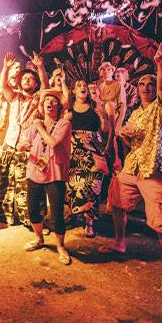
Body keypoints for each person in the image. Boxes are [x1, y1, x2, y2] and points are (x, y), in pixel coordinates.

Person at [103, 44, 162, 297]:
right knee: (116, 196)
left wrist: (160, 65)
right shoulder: (135, 114)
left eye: (150, 84)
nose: (146, 87)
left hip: (155, 169)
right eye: (142, 85)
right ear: (137, 90)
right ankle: (119, 242)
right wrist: (125, 135)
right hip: (133, 165)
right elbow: (130, 141)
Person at [0, 53, 44, 228]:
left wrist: (40, 67)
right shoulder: (14, 96)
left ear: (36, 84)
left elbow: (46, 86)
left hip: (28, 148)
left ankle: (30, 219)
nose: (27, 80)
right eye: (24, 78)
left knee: (27, 186)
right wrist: (5, 68)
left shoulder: (39, 99)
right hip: (9, 144)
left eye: (31, 79)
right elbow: (2, 85)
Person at [18, 89, 73, 265]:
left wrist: (40, 128)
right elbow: (23, 142)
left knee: (56, 214)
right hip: (35, 171)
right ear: (42, 106)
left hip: (55, 173)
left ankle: (60, 246)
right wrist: (23, 145)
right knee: (33, 210)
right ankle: (39, 239)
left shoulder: (64, 123)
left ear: (58, 106)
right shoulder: (36, 125)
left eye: (54, 101)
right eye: (46, 100)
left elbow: (53, 143)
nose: (49, 103)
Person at [64, 80, 111, 238]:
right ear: (74, 91)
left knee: (92, 185)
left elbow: (105, 129)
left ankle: (89, 223)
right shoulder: (69, 108)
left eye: (84, 86)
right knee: (72, 185)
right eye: (79, 86)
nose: (82, 88)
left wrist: (102, 115)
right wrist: (66, 119)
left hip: (93, 149)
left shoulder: (95, 107)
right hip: (73, 150)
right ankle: (73, 214)